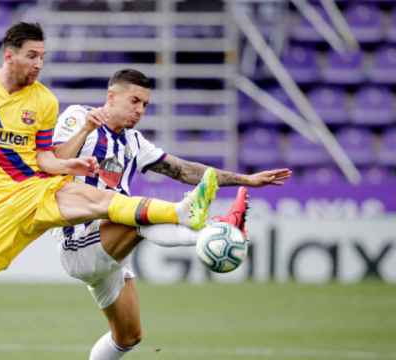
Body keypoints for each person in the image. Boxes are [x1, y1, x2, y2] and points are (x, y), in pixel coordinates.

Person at [0, 23, 221, 360]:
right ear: (9, 55)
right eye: (32, 56)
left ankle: (180, 212)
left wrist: (70, 167)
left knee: (101, 201)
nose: (38, 64)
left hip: (34, 192)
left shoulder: (44, 100)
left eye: (42, 57)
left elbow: (46, 159)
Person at [51, 68, 292, 360]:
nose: (140, 110)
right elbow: (55, 161)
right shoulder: (78, 116)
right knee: (137, 215)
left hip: (113, 247)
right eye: (135, 101)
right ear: (112, 97)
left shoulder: (134, 142)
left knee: (128, 337)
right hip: (77, 241)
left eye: (145, 105)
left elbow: (184, 170)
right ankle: (203, 225)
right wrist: (86, 130)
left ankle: (211, 228)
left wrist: (246, 179)